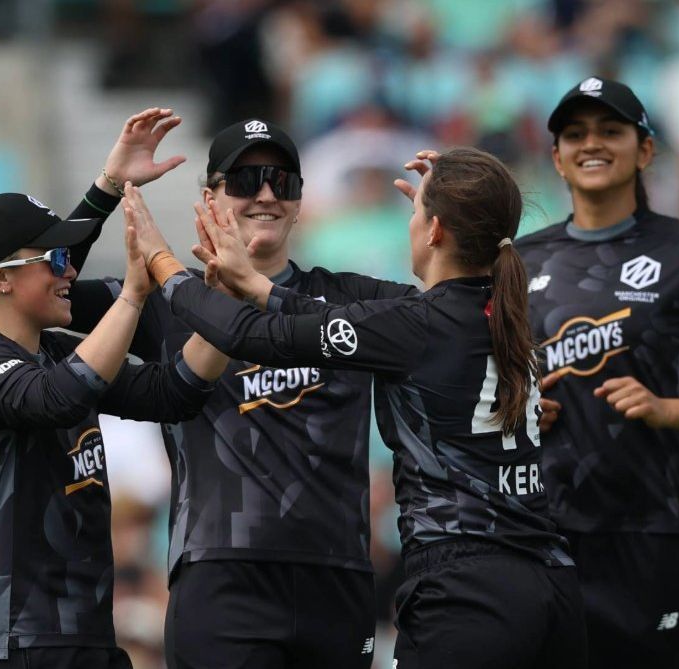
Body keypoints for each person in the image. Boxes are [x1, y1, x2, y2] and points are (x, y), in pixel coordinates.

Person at [132, 147, 585, 668]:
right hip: (552, 579)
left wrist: (161, 263)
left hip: (468, 589)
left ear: (435, 231)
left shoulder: (416, 325)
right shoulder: (502, 317)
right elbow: (323, 317)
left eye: (416, 216)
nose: (408, 226)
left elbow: (245, 333)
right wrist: (257, 285)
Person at [66, 119, 417, 669]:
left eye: (283, 180)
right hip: (220, 578)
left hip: (339, 578)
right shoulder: (162, 302)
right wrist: (107, 186)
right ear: (210, 197)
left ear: (302, 202)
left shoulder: (350, 297)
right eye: (246, 179)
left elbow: (454, 310)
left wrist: (446, 221)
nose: (267, 194)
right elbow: (50, 282)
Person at [513, 76, 679, 667]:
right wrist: (516, 410)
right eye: (576, 133)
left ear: (645, 150)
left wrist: (670, 410)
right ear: (556, 156)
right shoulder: (517, 261)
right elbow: (480, 399)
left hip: (646, 535)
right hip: (535, 533)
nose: (593, 143)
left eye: (611, 130)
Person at [0, 188, 229, 669]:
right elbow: (60, 397)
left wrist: (229, 303)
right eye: (56, 257)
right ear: (0, 279)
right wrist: (131, 293)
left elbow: (176, 391)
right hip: (1, 644)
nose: (71, 271)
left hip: (86, 638)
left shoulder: (57, 352)